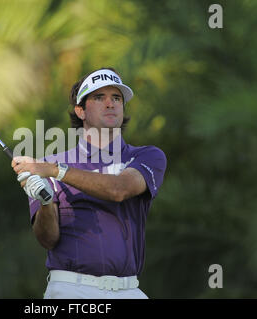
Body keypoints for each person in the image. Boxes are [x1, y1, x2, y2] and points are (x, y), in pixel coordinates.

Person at [11, 67, 167, 299]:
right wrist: (45, 201)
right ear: (80, 111)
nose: (110, 103)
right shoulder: (47, 166)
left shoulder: (146, 156)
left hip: (129, 290)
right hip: (71, 289)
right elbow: (48, 239)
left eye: (116, 98)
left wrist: (56, 171)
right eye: (98, 97)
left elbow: (119, 189)